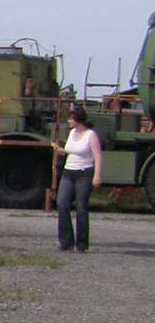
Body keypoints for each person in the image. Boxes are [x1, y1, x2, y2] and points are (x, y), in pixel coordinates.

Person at [56, 103, 103, 253]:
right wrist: (60, 150)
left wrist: (97, 175)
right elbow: (70, 151)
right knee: (62, 204)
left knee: (81, 208)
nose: (69, 122)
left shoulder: (90, 135)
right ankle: (66, 241)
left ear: (78, 119)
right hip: (68, 172)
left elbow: (98, 155)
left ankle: (81, 244)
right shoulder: (71, 134)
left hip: (84, 173)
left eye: (70, 119)